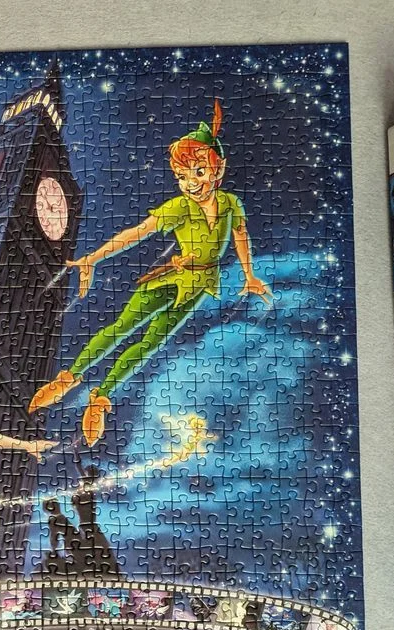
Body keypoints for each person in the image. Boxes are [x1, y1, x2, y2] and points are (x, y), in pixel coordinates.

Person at [29, 100, 273, 446]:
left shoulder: (231, 203)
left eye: (198, 172)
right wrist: (93, 258)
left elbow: (240, 234)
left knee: (149, 345)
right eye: (182, 176)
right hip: (166, 280)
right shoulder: (179, 206)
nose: (190, 183)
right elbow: (137, 232)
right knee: (122, 329)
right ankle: (70, 377)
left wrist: (249, 275)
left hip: (199, 284)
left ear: (217, 168)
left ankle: (101, 397)